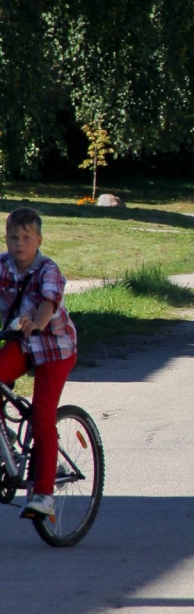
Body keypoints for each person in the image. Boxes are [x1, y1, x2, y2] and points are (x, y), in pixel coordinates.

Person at [0, 208, 78, 518]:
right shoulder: (3, 266)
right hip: (22, 342)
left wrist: (39, 323)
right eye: (13, 237)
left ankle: (44, 494)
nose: (19, 244)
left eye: (26, 238)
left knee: (43, 416)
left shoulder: (48, 269)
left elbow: (49, 301)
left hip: (55, 346)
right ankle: (9, 450)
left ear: (39, 240)